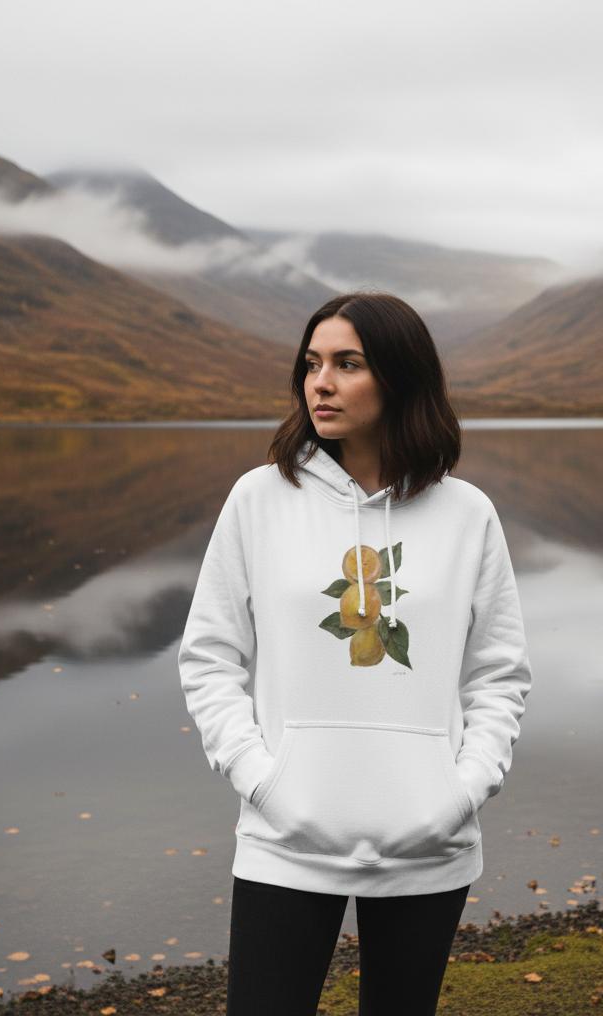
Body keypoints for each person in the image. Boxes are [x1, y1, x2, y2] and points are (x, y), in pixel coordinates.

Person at [177, 291, 533, 1015]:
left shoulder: (468, 515)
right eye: (311, 364)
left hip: (426, 843)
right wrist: (264, 782)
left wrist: (461, 792)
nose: (321, 383)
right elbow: (210, 656)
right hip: (287, 837)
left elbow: (498, 673)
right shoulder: (258, 500)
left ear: (399, 378)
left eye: (347, 364)